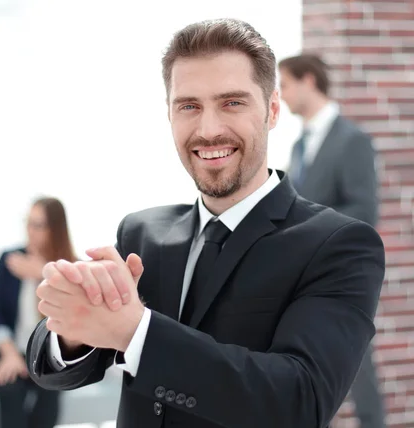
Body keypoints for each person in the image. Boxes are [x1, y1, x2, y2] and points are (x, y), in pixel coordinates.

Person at [25, 19, 385, 428]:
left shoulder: (340, 245)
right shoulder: (141, 232)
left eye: (232, 102)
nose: (209, 129)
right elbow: (56, 370)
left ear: (271, 110)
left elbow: (300, 402)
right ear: (170, 115)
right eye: (189, 106)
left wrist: (136, 332)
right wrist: (75, 325)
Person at [279, 53, 385, 428]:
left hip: (339, 273)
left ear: (309, 81)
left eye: (285, 84)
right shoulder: (297, 146)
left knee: (359, 366)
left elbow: (364, 209)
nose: (281, 94)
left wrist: (311, 232)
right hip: (302, 274)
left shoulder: (352, 140)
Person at [0, 197, 75, 428]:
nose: (30, 231)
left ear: (55, 229)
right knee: (9, 390)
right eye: (28, 222)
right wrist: (8, 353)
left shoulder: (69, 268)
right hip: (11, 350)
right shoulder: (10, 260)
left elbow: (72, 324)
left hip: (49, 356)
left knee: (50, 392)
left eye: (39, 225)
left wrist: (43, 273)